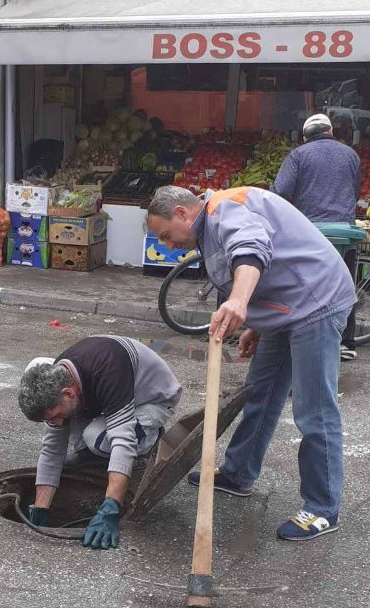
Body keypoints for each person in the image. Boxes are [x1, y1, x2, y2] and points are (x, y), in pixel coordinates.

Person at [146, 185, 356, 542]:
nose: (167, 244)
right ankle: (239, 473)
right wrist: (257, 325)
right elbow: (256, 270)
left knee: (314, 409)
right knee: (259, 393)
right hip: (286, 308)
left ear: (182, 212)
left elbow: (251, 250)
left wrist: (239, 303)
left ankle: (322, 509)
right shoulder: (208, 227)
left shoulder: (226, 209)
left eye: (166, 234)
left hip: (316, 302)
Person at [18, 335, 182, 550]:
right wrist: (40, 509)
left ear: (67, 393)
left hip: (152, 399)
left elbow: (122, 440)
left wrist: (111, 507)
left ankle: (147, 439)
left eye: (54, 415)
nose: (55, 423)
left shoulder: (109, 370)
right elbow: (52, 449)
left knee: (95, 438)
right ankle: (102, 455)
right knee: (81, 438)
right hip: (106, 395)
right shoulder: (59, 375)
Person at [273, 113, 362, 361]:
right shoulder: (351, 154)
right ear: (331, 131)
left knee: (304, 284)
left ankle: (302, 337)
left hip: (310, 231)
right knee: (345, 283)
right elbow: (355, 191)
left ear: (305, 137)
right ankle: (347, 343)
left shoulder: (298, 155)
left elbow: (281, 191)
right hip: (344, 231)